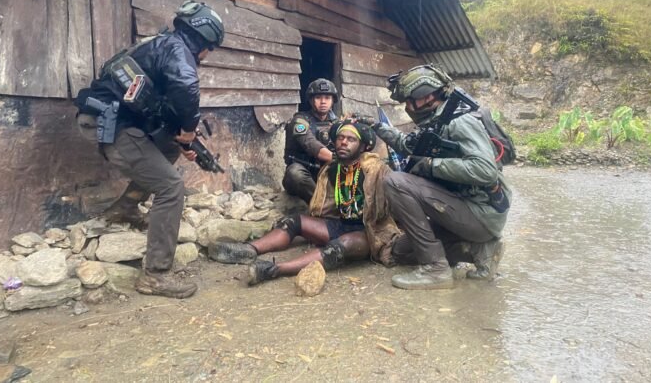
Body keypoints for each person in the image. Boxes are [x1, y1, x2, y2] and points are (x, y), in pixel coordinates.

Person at [75, 0, 224, 299]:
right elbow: (186, 88)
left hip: (115, 120)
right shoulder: (178, 50)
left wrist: (183, 141)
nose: (206, 56)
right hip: (112, 124)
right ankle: (155, 275)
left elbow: (156, 107)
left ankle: (124, 209)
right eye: (210, 48)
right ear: (203, 39)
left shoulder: (161, 45)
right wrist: (189, 129)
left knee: (168, 149)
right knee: (171, 186)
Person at [208, 120, 402, 285]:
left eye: (351, 139)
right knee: (294, 221)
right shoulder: (333, 169)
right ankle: (248, 250)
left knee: (340, 245)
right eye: (340, 138)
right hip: (340, 225)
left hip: (368, 233)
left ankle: (274, 269)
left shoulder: (376, 170)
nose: (343, 142)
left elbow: (397, 202)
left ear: (363, 146)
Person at [373, 64, 511, 290]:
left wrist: (431, 165)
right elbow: (408, 145)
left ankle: (435, 268)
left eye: (409, 100)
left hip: (480, 212)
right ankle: (480, 250)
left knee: (396, 182)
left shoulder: (459, 121)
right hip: (464, 210)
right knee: (399, 252)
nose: (407, 106)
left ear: (427, 96)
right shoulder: (436, 121)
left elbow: (486, 170)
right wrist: (376, 126)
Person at [282, 79, 339, 203]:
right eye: (318, 97)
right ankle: (323, 206)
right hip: (305, 175)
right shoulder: (300, 121)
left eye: (327, 98)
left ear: (333, 100)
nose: (323, 102)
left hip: (326, 173)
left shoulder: (336, 123)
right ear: (311, 100)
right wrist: (338, 159)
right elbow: (311, 144)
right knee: (295, 173)